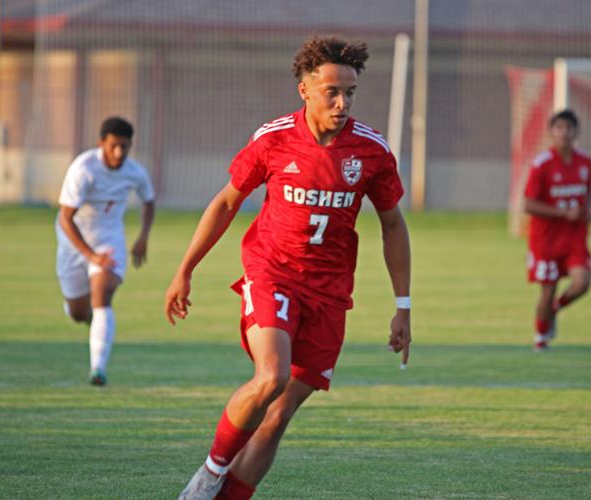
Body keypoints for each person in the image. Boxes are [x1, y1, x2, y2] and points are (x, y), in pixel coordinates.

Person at [165, 35, 412, 499]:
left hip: (330, 294)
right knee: (271, 375)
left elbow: (393, 226)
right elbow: (225, 203)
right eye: (331, 92)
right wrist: (185, 268)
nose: (342, 103)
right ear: (305, 90)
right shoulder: (274, 139)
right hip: (272, 273)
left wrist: (404, 305)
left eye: (350, 93)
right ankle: (208, 475)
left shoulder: (371, 152)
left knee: (277, 417)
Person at [56, 116, 155, 386]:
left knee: (102, 292)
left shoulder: (134, 172)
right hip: (73, 241)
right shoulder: (84, 169)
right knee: (78, 312)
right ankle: (94, 323)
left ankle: (97, 369)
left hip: (109, 240)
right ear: (102, 143)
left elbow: (148, 201)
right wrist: (90, 255)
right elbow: (66, 218)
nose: (119, 153)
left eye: (124, 146)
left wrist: (143, 237)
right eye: (114, 146)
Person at [523, 109, 591, 351]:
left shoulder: (585, 162)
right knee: (548, 289)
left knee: (582, 282)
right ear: (551, 132)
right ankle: (540, 338)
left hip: (574, 237)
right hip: (546, 240)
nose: (564, 133)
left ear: (576, 132)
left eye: (569, 128)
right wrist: (563, 213)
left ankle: (554, 309)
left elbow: (588, 194)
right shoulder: (541, 164)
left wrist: (589, 209)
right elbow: (528, 204)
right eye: (559, 128)